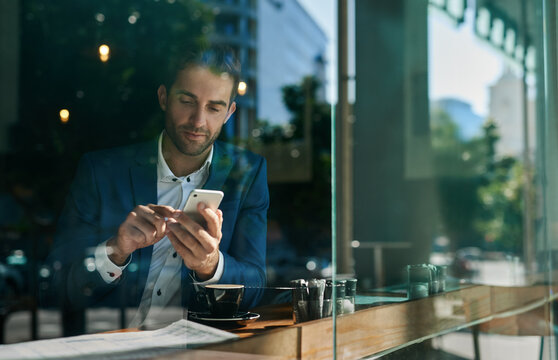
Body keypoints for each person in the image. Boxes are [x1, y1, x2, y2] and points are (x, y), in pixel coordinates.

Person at [47, 47, 268, 330]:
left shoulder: (248, 173)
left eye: (214, 108)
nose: (198, 121)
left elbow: (257, 285)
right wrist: (116, 251)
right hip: (109, 345)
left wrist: (211, 265)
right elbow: (56, 287)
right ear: (164, 97)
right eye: (187, 101)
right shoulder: (100, 170)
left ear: (229, 113)